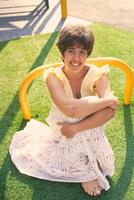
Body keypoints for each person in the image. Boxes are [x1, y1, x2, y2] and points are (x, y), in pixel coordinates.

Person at [9, 24, 119, 196]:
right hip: (62, 126)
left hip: (81, 127)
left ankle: (87, 163)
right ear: (62, 53)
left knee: (88, 111)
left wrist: (76, 128)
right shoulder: (53, 76)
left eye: (82, 51)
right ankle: (84, 174)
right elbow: (70, 110)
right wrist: (105, 101)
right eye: (71, 51)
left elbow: (110, 112)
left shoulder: (98, 74)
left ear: (88, 53)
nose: (77, 57)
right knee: (85, 108)